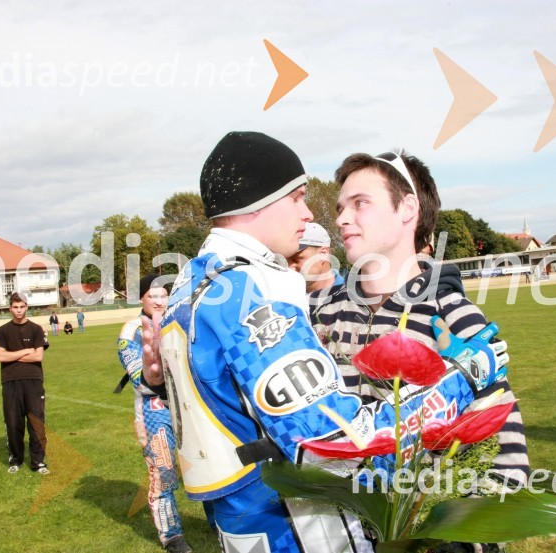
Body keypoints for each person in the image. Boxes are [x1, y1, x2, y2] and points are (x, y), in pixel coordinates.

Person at [147, 131, 485, 553]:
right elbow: (333, 443)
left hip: (243, 523)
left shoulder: (191, 280)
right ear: (260, 199)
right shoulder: (250, 288)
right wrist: (464, 376)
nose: (309, 214)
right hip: (298, 527)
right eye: (298, 197)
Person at [310, 150, 530, 490]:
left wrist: (465, 538)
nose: (340, 219)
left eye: (360, 203)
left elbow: (506, 450)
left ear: (408, 209)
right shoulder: (316, 311)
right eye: (341, 208)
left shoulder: (452, 315)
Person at [116, 274, 192, 553]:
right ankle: (171, 536)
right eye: (153, 296)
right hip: (154, 408)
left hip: (187, 406)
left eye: (163, 295)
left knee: (203, 461)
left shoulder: (179, 321)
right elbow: (140, 378)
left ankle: (215, 518)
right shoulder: (132, 330)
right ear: (142, 299)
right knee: (164, 471)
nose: (159, 301)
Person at [0, 291, 50, 475]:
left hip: (33, 381)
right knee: (13, 422)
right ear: (10, 308)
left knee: (36, 422)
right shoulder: (2, 331)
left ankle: (38, 462)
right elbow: (0, 356)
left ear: (27, 307)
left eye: (22, 306)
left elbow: (38, 356)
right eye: (15, 307)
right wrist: (26, 351)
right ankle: (15, 460)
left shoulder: (36, 329)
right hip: (10, 381)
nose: (18, 310)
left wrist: (13, 355)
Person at [285, 222, 345, 292]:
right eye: (286, 260)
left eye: (296, 259)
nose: (289, 267)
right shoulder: (283, 297)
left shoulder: (353, 297)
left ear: (323, 254)